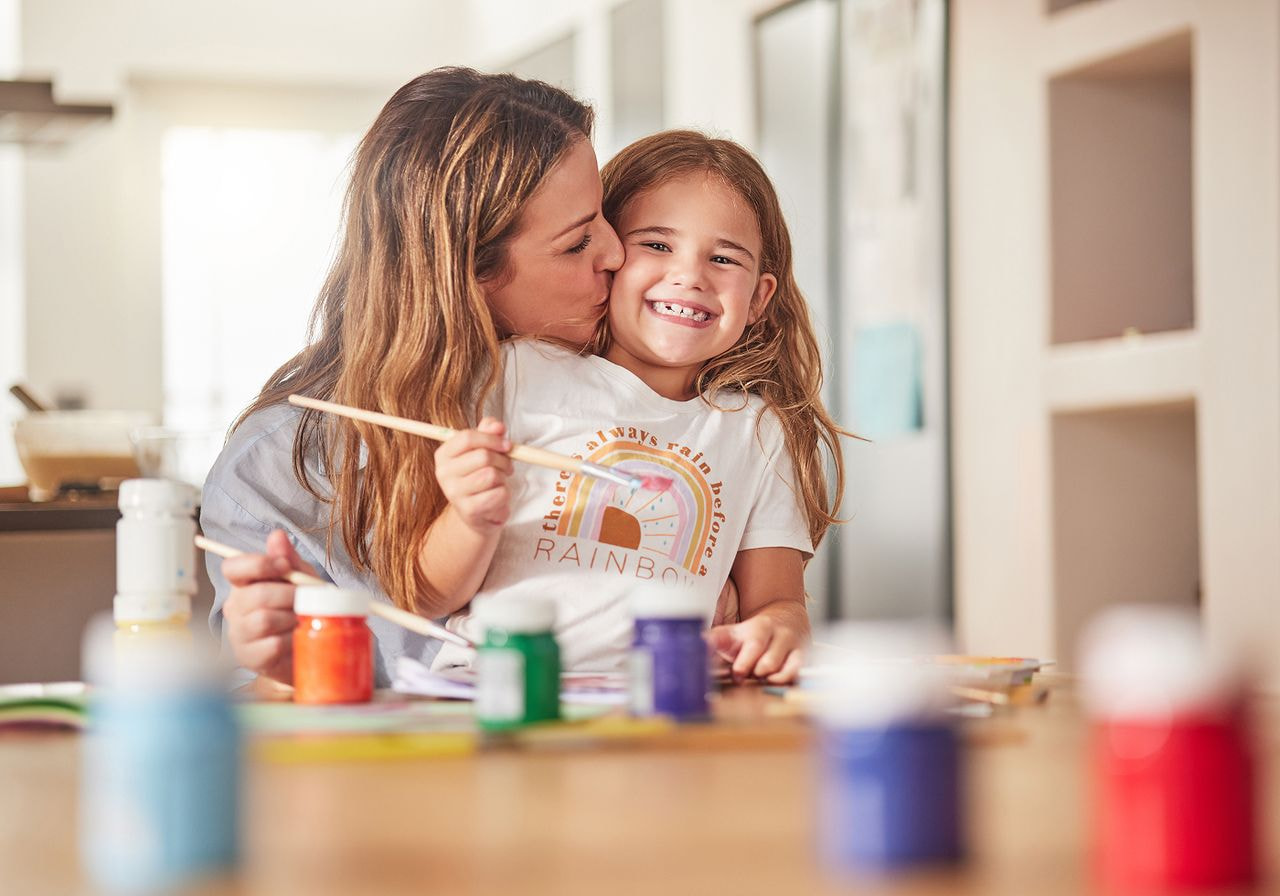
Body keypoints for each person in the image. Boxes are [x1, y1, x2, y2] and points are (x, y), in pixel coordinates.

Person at [202, 67, 624, 686]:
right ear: (466, 273)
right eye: (577, 242)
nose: (616, 254)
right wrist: (274, 665)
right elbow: (255, 702)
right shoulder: (276, 467)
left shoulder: (622, 384)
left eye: (603, 217)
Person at [428, 130, 846, 683]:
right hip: (492, 688)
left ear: (759, 300)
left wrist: (776, 631)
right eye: (656, 245)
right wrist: (468, 516)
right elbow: (430, 595)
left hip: (661, 702)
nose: (690, 275)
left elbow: (779, 602)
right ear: (607, 258)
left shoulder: (757, 431)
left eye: (723, 258)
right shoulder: (518, 371)